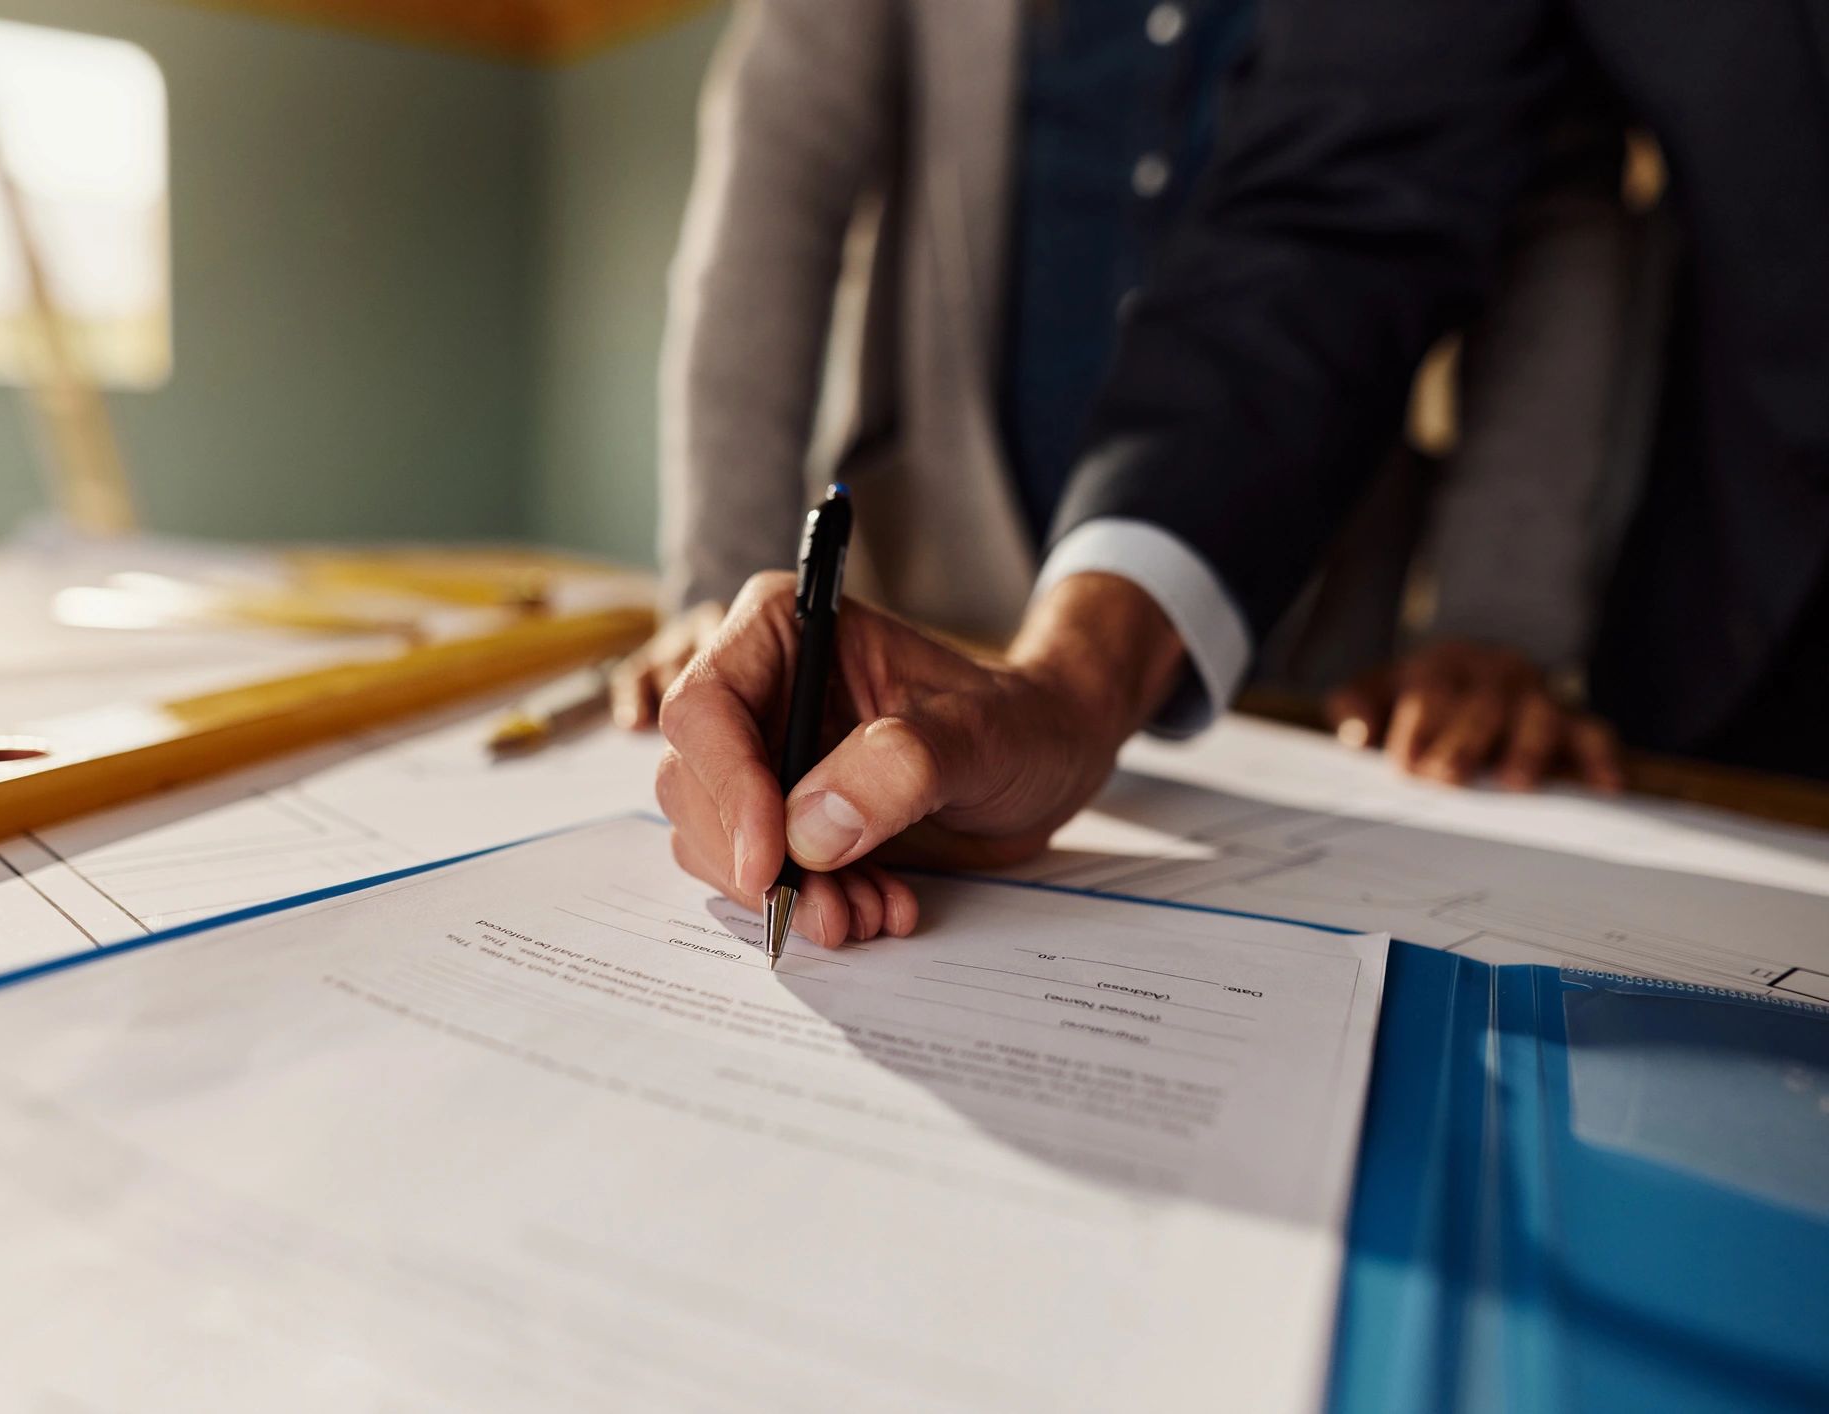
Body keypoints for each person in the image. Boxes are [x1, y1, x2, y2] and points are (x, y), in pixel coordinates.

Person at [655, 0, 1829, 948]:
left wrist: (1494, 616)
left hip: (1331, 636)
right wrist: (1069, 680)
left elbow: (1554, 204)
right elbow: (1342, 200)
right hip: (972, 585)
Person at [620, 0, 1642, 793]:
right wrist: (724, 579)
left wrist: (1493, 617)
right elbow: (776, 175)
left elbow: (1549, 200)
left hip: (1316, 668)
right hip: (934, 615)